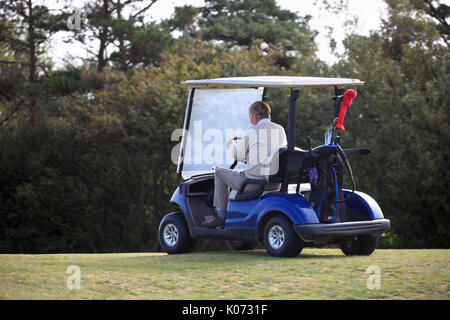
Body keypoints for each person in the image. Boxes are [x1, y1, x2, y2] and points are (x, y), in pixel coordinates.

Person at [202, 101, 287, 228]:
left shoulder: (252, 131)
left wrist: (231, 145)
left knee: (219, 172)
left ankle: (221, 216)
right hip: (274, 184)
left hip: (253, 184)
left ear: (254, 117)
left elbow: (238, 155)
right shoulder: (280, 129)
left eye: (250, 118)